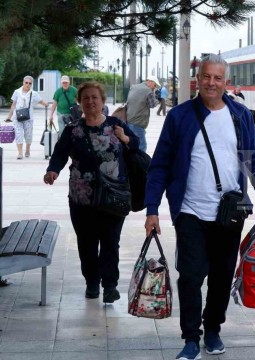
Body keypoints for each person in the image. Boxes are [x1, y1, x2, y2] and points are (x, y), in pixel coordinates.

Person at [144, 53, 255, 360]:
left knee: (221, 275)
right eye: (206, 77)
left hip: (229, 213)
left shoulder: (240, 115)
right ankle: (191, 337)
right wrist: (152, 208)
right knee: (191, 275)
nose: (211, 83)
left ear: (225, 82)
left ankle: (213, 329)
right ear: (198, 79)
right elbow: (160, 165)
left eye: (218, 78)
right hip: (190, 211)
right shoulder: (180, 116)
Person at [43, 81, 140, 303]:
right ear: (80, 102)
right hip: (82, 199)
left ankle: (110, 285)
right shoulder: (73, 129)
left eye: (94, 97)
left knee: (110, 242)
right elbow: (59, 154)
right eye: (86, 98)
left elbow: (135, 146)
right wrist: (52, 171)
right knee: (86, 242)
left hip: (113, 197)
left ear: (102, 101)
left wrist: (125, 138)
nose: (90, 102)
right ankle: (92, 282)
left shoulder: (116, 125)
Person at [4, 76, 48, 159]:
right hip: (17, 117)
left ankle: (27, 149)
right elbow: (13, 104)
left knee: (28, 135)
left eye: (30, 83)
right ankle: (20, 153)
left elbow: (40, 101)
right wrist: (9, 116)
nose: (28, 84)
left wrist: (45, 103)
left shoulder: (34, 93)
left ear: (31, 84)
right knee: (18, 134)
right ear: (23, 82)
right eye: (26, 82)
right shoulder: (17, 92)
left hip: (28, 118)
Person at [125, 75, 159, 152]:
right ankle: (139, 164)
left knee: (132, 146)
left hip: (129, 120)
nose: (154, 87)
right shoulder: (148, 91)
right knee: (142, 147)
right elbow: (152, 105)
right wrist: (156, 97)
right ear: (150, 82)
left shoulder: (134, 87)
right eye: (155, 85)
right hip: (138, 123)